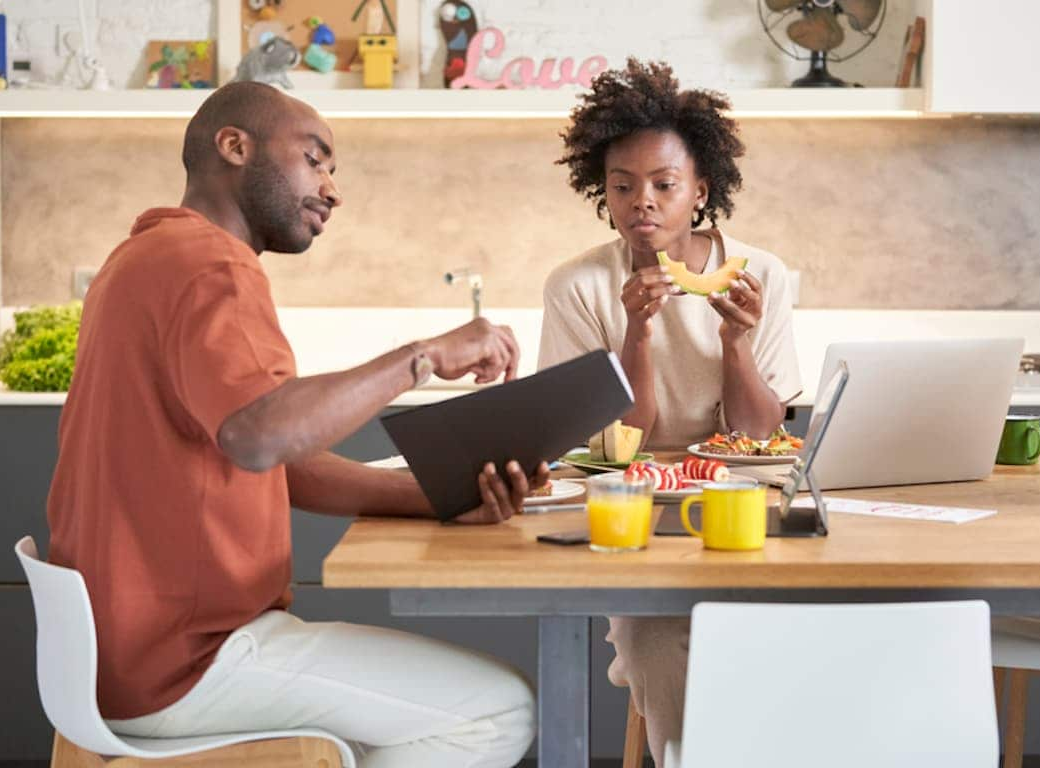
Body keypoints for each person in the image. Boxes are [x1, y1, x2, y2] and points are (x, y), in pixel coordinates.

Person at [46, 81, 545, 768]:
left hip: (125, 656)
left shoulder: (142, 259)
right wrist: (425, 356)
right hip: (191, 660)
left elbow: (276, 461)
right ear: (234, 146)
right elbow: (261, 437)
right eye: (315, 159)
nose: (332, 189)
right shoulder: (210, 265)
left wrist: (434, 499)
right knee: (498, 711)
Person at [537, 59, 802, 766]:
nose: (641, 203)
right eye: (622, 186)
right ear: (602, 191)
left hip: (747, 510)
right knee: (656, 636)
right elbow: (615, 447)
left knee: (806, 625)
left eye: (663, 185)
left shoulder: (760, 276)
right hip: (637, 515)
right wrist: (635, 335)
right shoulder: (578, 287)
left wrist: (736, 344)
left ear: (700, 191)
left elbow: (758, 434)